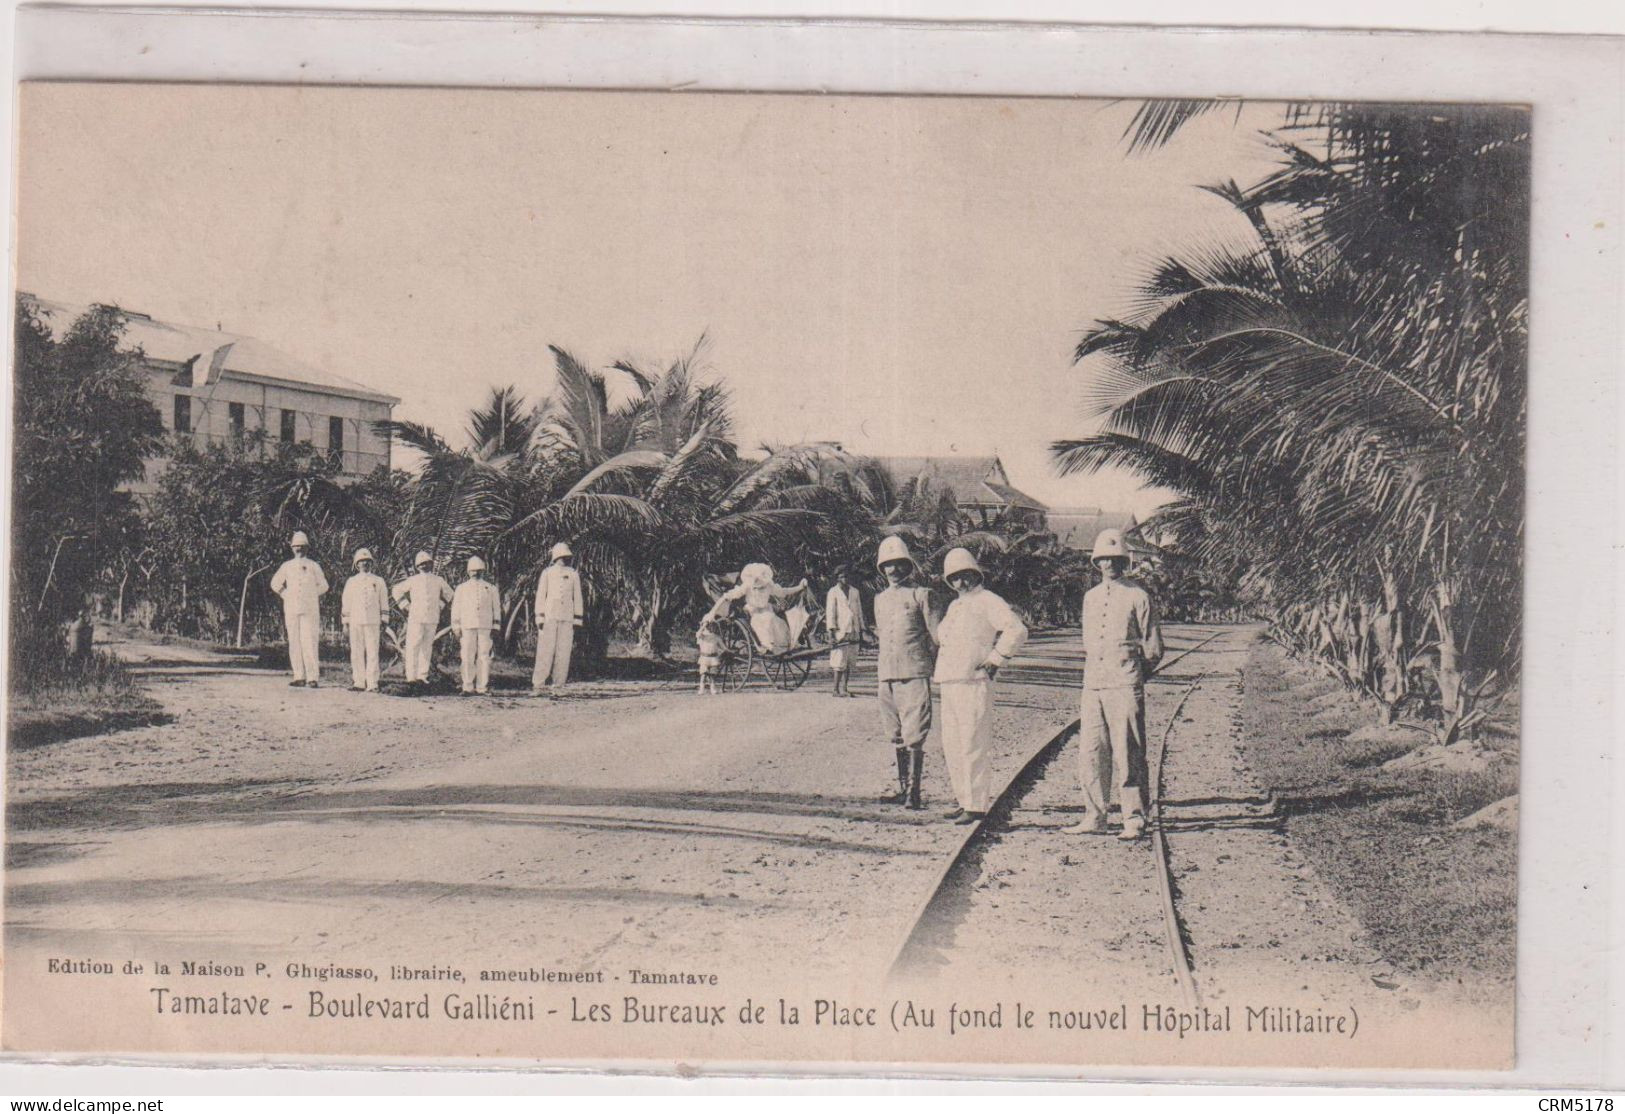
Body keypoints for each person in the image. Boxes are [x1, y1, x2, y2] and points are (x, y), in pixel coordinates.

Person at [1064, 528, 1164, 841]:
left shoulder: (1138, 596)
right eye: (1104, 559)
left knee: (1129, 750)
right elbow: (1088, 644)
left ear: (1125, 561)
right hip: (1093, 683)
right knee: (1092, 750)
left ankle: (1134, 818)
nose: (1110, 565)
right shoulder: (1090, 598)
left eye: (1116, 559)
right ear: (1097, 562)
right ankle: (1095, 815)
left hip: (1125, 682)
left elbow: (1154, 648)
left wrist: (1134, 674)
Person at [933, 547, 1027, 825]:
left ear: (975, 574)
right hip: (950, 681)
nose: (961, 583)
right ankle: (963, 800)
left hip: (973, 682)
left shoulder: (989, 600)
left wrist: (996, 658)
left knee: (973, 744)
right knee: (953, 744)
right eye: (954, 579)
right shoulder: (954, 605)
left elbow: (1016, 629)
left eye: (965, 576)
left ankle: (976, 805)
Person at [872, 536, 938, 810]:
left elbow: (936, 637)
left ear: (908, 566)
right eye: (888, 565)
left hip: (914, 670)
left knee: (915, 733)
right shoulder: (879, 599)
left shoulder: (922, 595)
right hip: (886, 673)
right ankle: (903, 788)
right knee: (895, 732)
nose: (894, 571)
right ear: (882, 569)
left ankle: (915, 791)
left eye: (899, 565)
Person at [703, 563, 808, 656]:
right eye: (755, 580)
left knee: (778, 622)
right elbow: (727, 596)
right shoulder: (747, 586)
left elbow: (783, 592)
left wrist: (799, 587)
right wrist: (712, 612)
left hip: (767, 610)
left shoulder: (768, 585)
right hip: (754, 612)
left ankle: (784, 647)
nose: (758, 583)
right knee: (766, 620)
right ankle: (767, 647)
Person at [270, 530, 329, 688]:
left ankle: (312, 677)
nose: (299, 549)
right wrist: (286, 594)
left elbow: (324, 585)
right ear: (292, 548)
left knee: (309, 641)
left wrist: (311, 595)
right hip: (291, 607)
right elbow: (275, 583)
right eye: (296, 546)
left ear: (307, 548)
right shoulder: (287, 566)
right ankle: (299, 676)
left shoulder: (313, 565)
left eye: (302, 546)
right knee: (294, 642)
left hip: (309, 609)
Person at [392, 551, 453, 689]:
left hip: (432, 617)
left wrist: (440, 605)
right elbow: (396, 590)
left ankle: (422, 676)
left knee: (427, 647)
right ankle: (411, 677)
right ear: (417, 566)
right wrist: (406, 606)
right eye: (422, 564)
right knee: (413, 646)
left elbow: (450, 593)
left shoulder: (438, 580)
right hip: (415, 617)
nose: (425, 566)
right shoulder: (413, 580)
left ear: (431, 564)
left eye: (427, 563)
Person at [532, 542, 585, 698]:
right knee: (545, 651)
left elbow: (578, 598)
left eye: (566, 556)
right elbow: (541, 595)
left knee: (563, 652)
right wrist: (539, 616)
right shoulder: (547, 573)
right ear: (555, 557)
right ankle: (539, 685)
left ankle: (559, 686)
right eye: (561, 556)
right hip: (549, 617)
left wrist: (577, 619)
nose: (564, 559)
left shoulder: (573, 574)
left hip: (567, 617)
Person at [452, 556, 502, 695]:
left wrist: (496, 626)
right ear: (468, 571)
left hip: (485, 625)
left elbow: (496, 608)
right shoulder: (461, 588)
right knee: (467, 656)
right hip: (467, 625)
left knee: (484, 656)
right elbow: (456, 608)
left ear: (483, 571)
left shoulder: (491, 588)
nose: (476, 573)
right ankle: (467, 687)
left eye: (479, 570)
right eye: (473, 570)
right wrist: (456, 626)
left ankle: (482, 687)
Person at [341, 547, 389, 692]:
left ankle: (373, 683)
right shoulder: (351, 581)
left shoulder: (378, 581)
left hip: (373, 621)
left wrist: (384, 619)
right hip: (355, 620)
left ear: (371, 563)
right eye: (361, 562)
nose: (365, 564)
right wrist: (345, 622)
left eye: (367, 561)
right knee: (356, 652)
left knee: (373, 652)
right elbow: (346, 602)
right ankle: (359, 682)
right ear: (357, 565)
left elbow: (384, 601)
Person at [824, 568, 865, 698]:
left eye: (847, 576)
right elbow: (830, 613)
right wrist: (831, 633)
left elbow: (859, 611)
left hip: (853, 629)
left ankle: (845, 688)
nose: (845, 579)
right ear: (837, 578)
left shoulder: (854, 592)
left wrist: (862, 629)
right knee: (839, 660)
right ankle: (835, 689)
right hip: (840, 630)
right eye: (842, 577)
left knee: (849, 660)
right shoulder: (833, 592)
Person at [695, 617, 723, 695]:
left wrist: (729, 651)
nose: (712, 628)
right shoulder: (702, 636)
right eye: (710, 626)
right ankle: (701, 689)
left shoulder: (716, 637)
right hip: (704, 657)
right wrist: (704, 625)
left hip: (713, 658)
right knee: (703, 674)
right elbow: (697, 634)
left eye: (713, 626)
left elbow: (723, 647)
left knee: (712, 675)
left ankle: (712, 688)